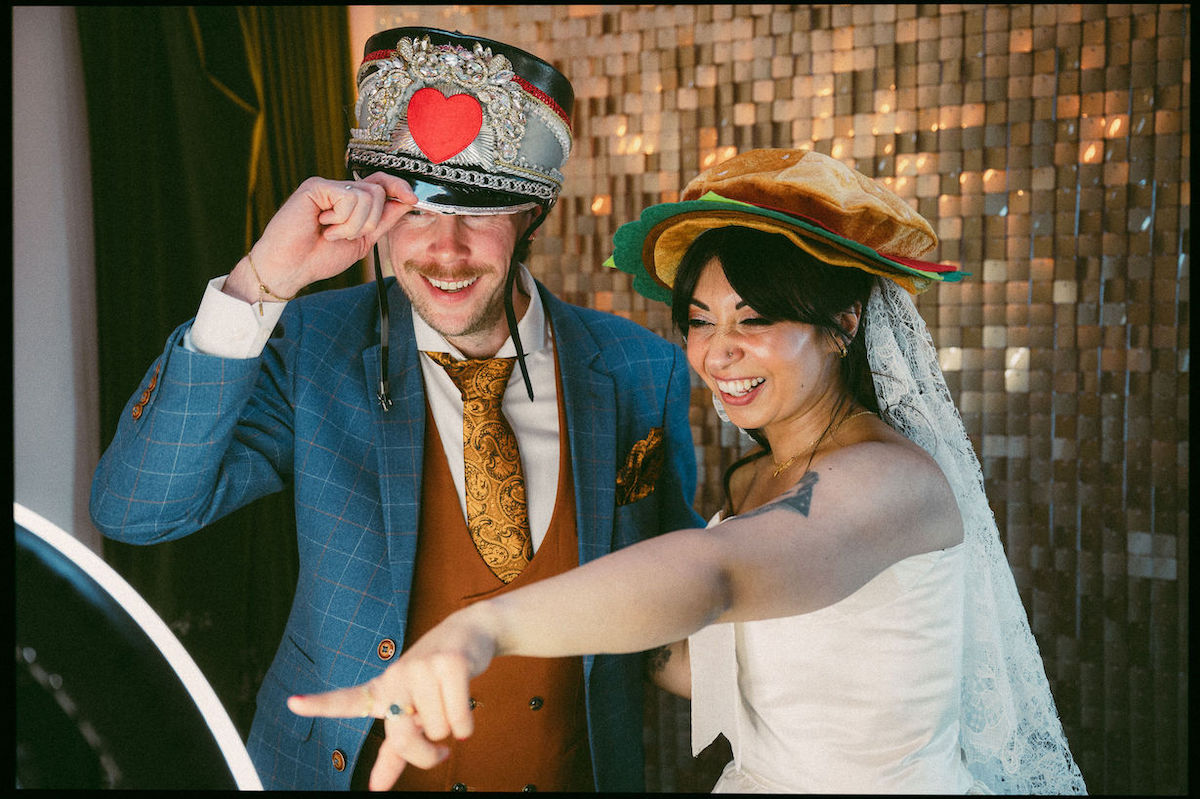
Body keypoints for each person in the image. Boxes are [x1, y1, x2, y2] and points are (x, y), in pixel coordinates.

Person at [288, 149, 1089, 794]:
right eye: (700, 322)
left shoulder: (891, 481)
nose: (717, 352)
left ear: (843, 320)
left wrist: (481, 628)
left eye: (756, 319)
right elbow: (710, 666)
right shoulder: (749, 485)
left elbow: (716, 577)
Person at [89, 27, 702, 792]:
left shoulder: (645, 370)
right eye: (412, 210)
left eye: (478, 209)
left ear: (531, 216)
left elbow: (690, 597)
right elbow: (136, 507)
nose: (444, 249)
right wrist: (259, 284)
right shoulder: (314, 344)